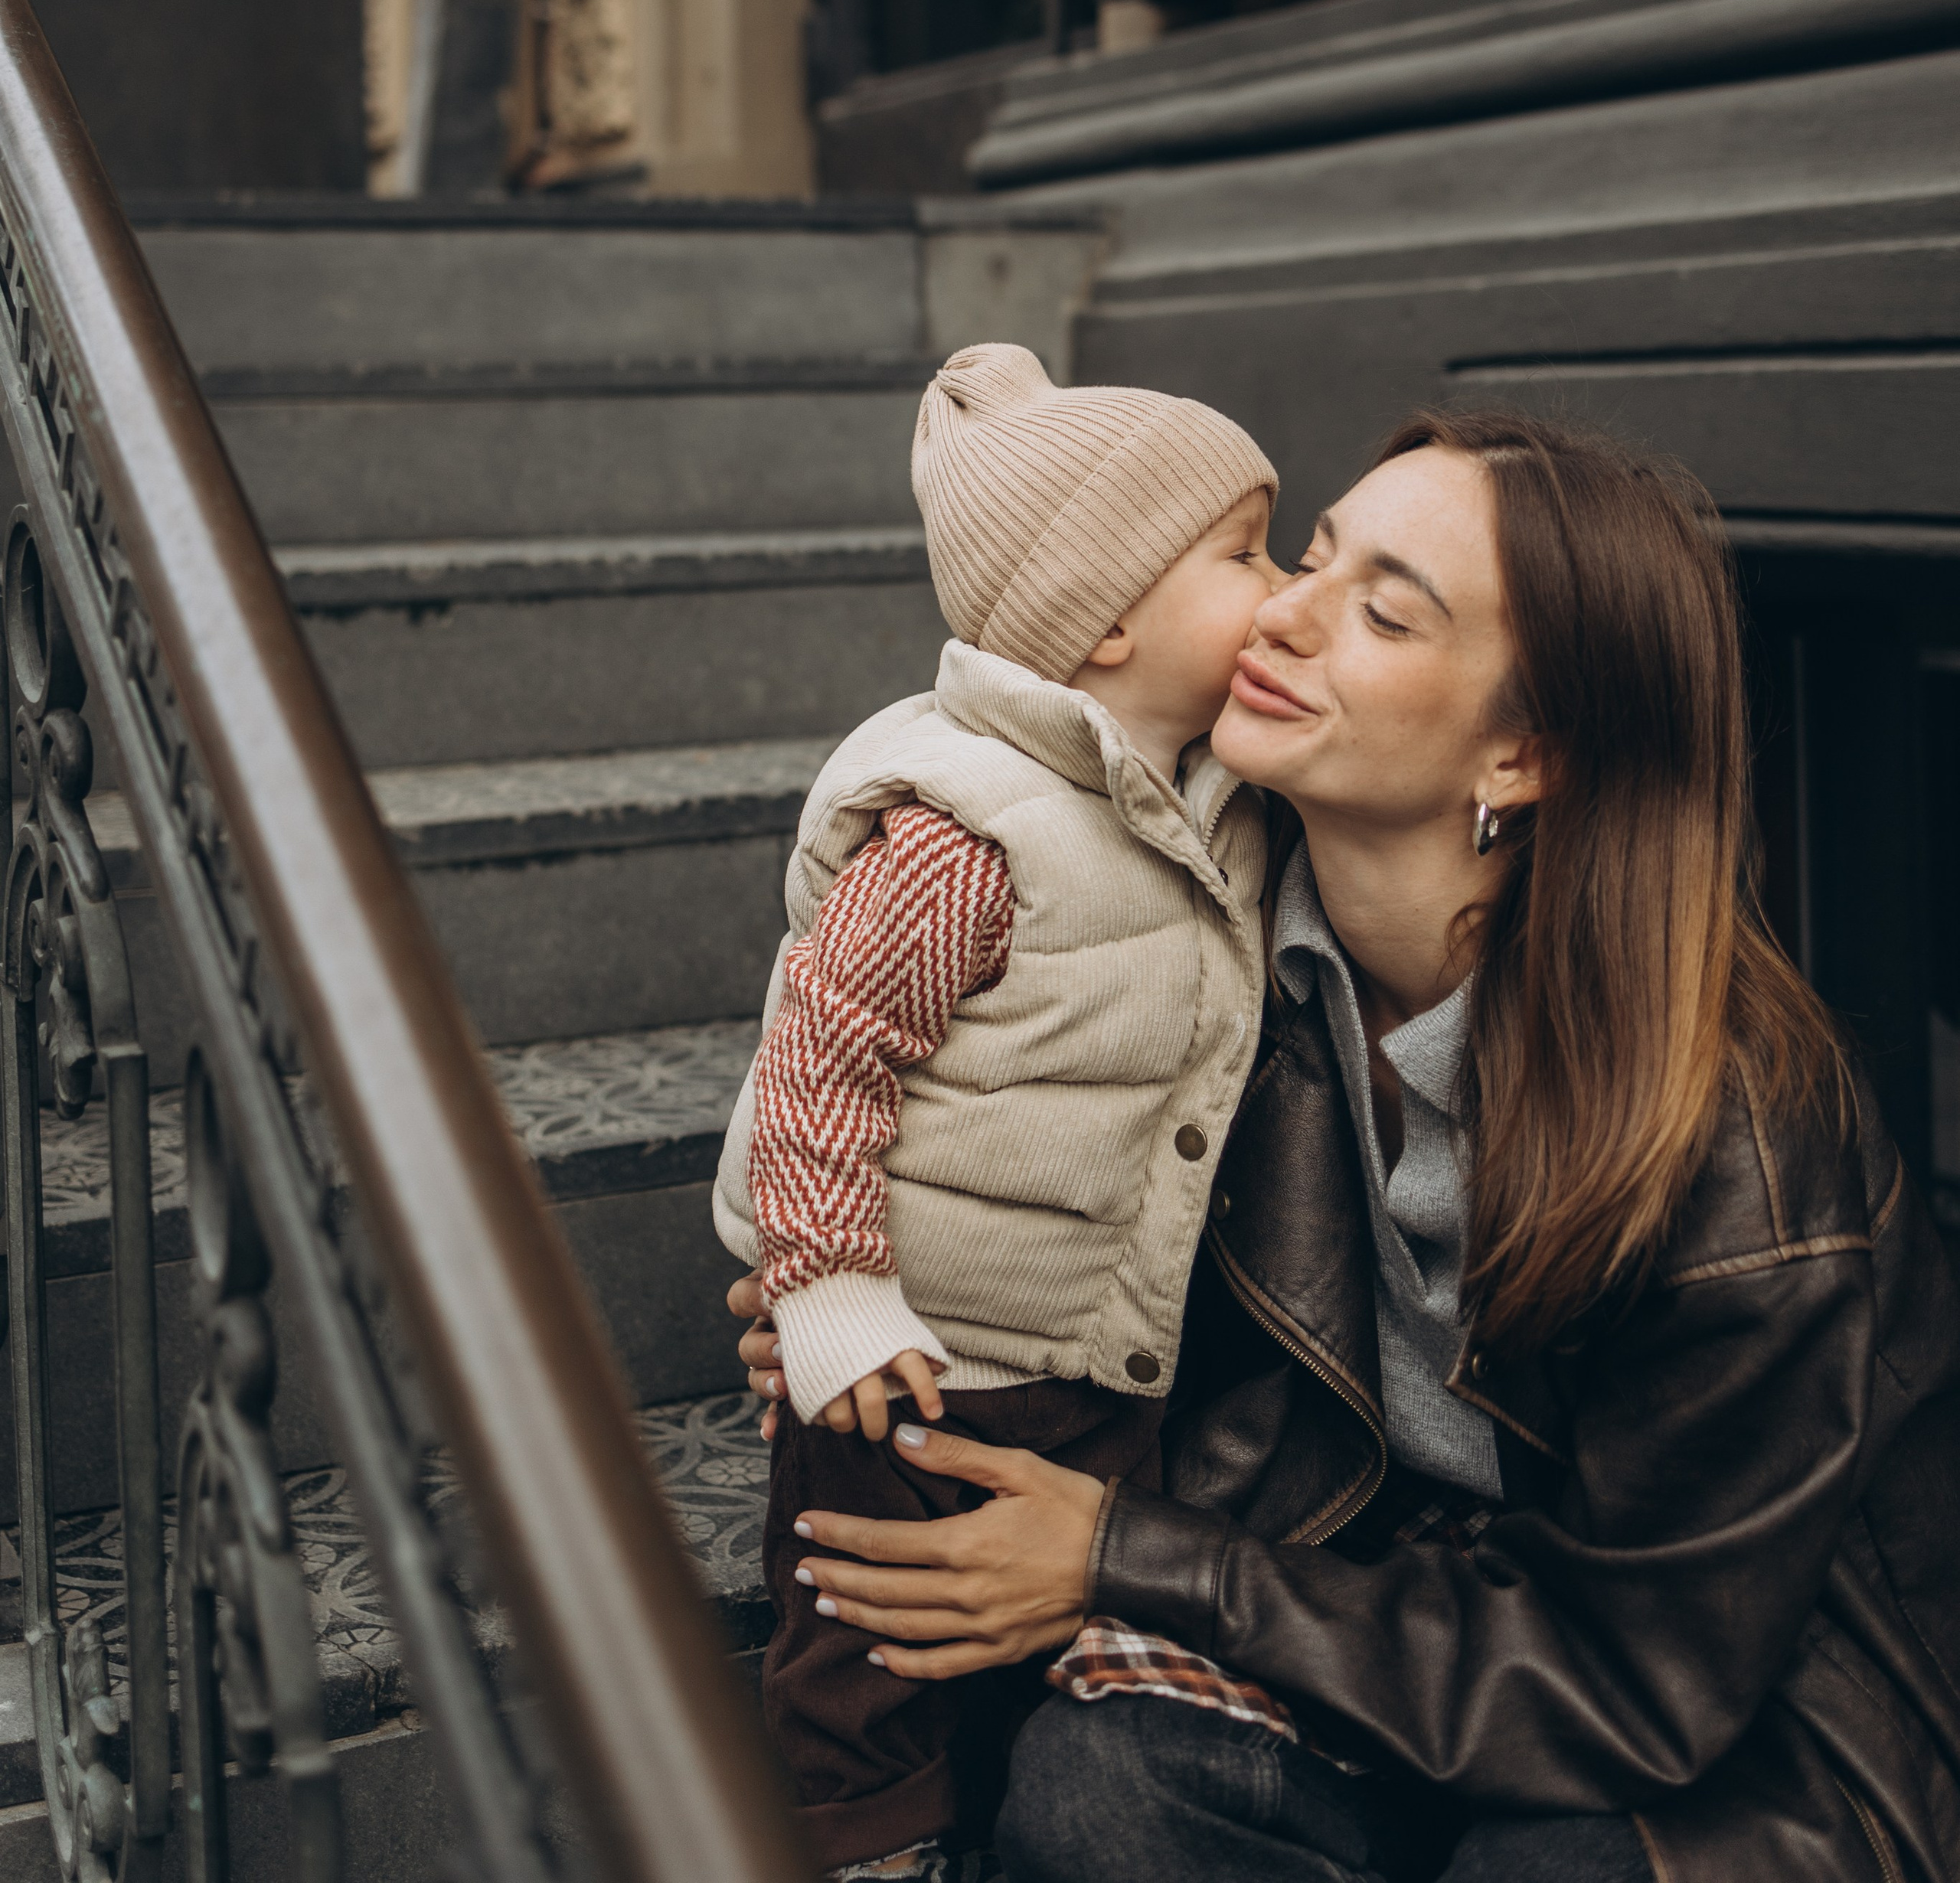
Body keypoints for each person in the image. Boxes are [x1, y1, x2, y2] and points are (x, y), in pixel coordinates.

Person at [743, 408, 1960, 1883]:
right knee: (1105, 1796)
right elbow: (990, 1184)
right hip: (1356, 1603)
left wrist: (1124, 1556)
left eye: (1382, 610)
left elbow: (1642, 1680)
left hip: (1704, 1721)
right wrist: (870, 1313)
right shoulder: (1185, 967)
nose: (1284, 610)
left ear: (1520, 755)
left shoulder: (1740, 1147)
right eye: (1303, 556)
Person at [714, 341, 1287, 1880]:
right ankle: (866, 1843)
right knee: (865, 1628)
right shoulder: (969, 827)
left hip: (1089, 1343)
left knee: (1039, 1642)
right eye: (1243, 554)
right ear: (1103, 622)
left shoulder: (1212, 802)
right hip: (909, 1357)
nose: (1283, 584)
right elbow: (823, 1058)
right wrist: (826, 1288)